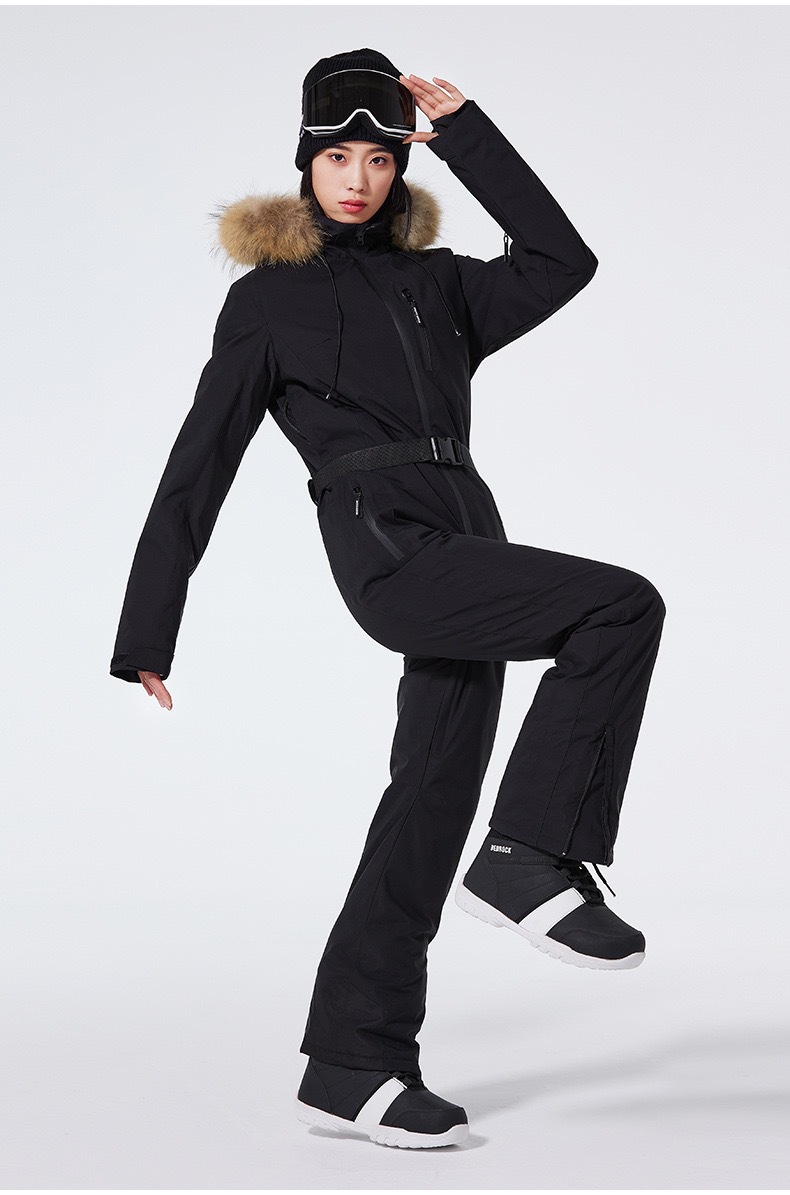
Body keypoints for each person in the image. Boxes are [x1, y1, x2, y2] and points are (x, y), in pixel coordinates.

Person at [110, 48, 666, 1150]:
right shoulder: (268, 303)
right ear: (305, 166)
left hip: (468, 542)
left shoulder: (440, 286)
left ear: (401, 167)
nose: (358, 179)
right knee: (619, 606)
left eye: (379, 158)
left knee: (426, 801)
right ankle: (529, 856)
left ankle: (353, 1061)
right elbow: (197, 465)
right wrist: (148, 629)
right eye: (337, 158)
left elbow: (563, 260)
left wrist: (468, 135)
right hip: (390, 555)